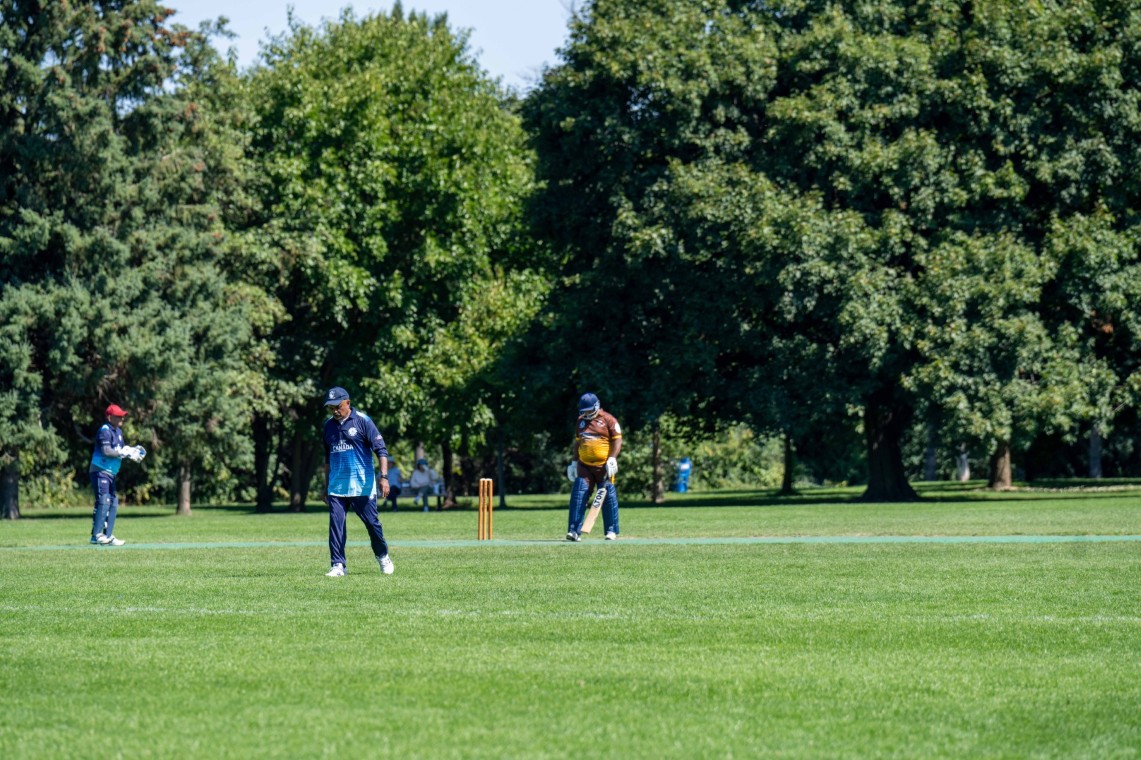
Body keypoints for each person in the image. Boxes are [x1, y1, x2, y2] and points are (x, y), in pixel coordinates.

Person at [321, 386, 394, 577]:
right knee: (336, 526)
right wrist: (325, 485)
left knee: (372, 524)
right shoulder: (328, 426)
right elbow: (327, 459)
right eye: (331, 408)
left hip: (362, 485)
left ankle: (382, 555)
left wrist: (384, 477)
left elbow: (381, 450)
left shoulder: (363, 421)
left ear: (348, 402)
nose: (335, 411)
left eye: (338, 406)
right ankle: (338, 565)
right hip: (337, 486)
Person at [565, 392, 623, 542]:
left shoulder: (608, 419)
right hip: (584, 466)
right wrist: (574, 462)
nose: (586, 414)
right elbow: (578, 442)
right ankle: (574, 531)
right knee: (579, 494)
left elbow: (618, 440)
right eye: (583, 411)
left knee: (608, 496)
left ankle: (611, 531)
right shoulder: (581, 421)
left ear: (597, 406)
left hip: (604, 467)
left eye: (589, 410)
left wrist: (612, 458)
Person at [89, 403, 146, 546]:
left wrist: (130, 452)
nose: (122, 418)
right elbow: (106, 451)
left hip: (111, 472)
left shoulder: (118, 432)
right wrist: (122, 453)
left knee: (113, 503)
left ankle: (107, 535)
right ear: (109, 417)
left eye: (122, 416)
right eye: (118, 416)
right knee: (104, 500)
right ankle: (97, 535)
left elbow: (120, 450)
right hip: (100, 470)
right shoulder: (105, 430)